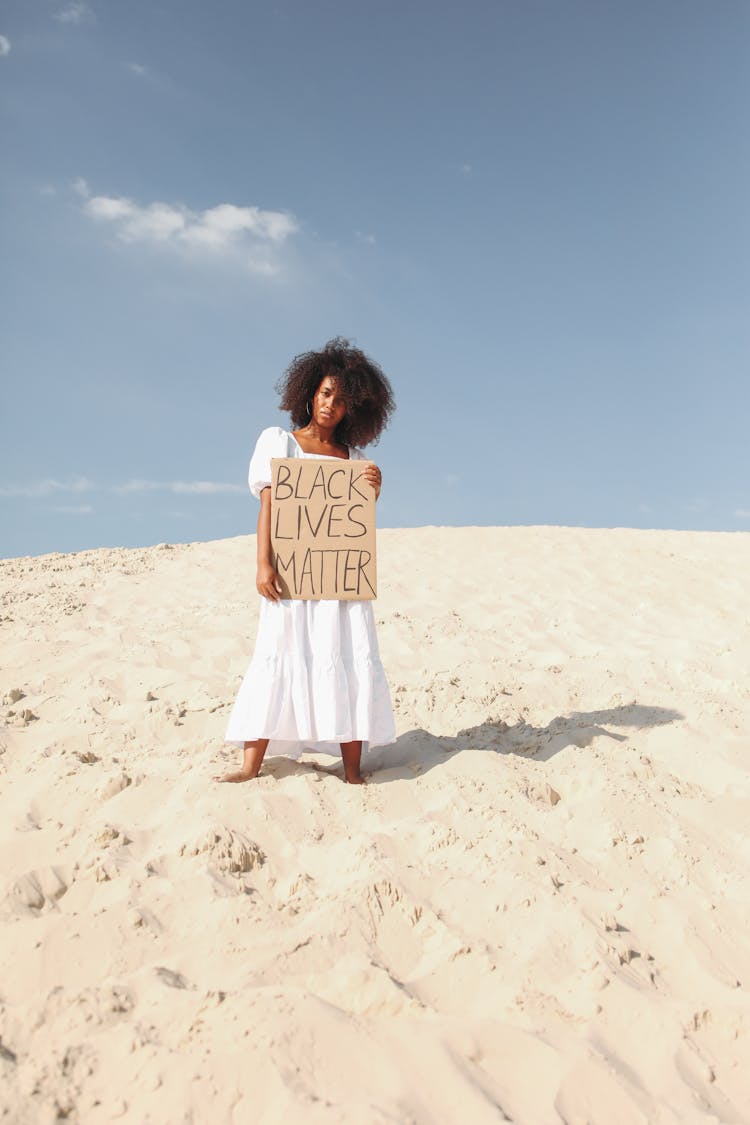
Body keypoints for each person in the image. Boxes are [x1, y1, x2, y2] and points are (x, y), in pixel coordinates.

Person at [217, 338, 396, 785]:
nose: (331, 405)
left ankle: (352, 770)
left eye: (342, 400)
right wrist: (263, 564)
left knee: (349, 655)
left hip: (340, 585)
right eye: (326, 393)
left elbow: (352, 523)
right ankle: (249, 765)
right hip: (292, 578)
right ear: (310, 392)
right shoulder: (280, 443)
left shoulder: (354, 460)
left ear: (355, 409)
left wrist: (373, 485)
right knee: (278, 653)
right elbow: (270, 507)